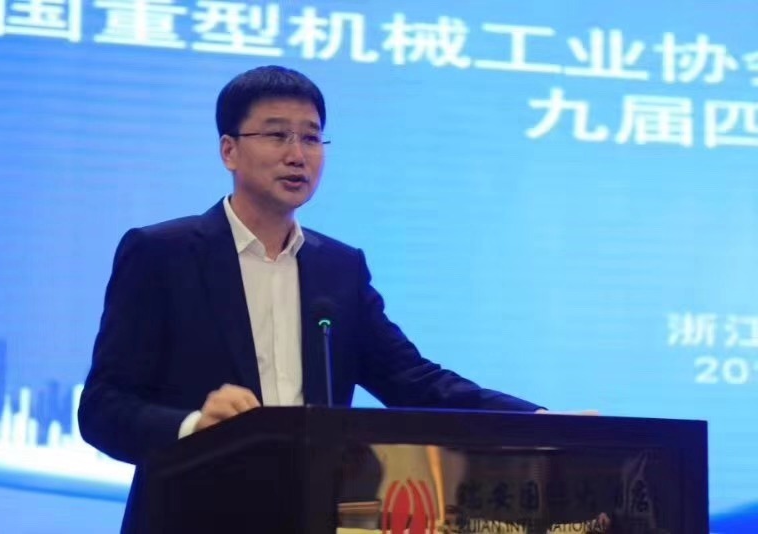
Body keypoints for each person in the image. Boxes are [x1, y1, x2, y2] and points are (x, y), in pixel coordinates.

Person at [78, 64, 544, 530]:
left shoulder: (338, 269)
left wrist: (539, 420)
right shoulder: (162, 254)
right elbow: (103, 408)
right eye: (277, 135)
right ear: (229, 151)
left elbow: (415, 382)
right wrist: (194, 426)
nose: (297, 155)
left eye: (311, 137)